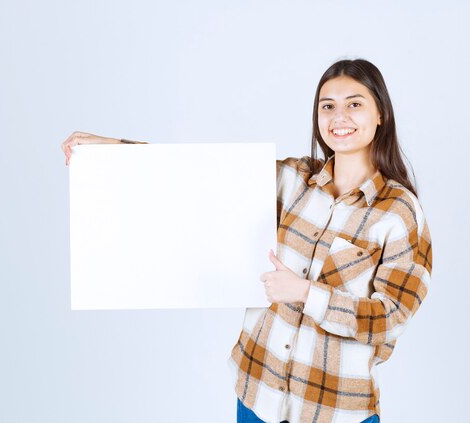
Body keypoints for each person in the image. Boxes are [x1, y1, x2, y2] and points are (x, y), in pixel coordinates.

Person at [61, 58, 433, 423]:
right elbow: (198, 177)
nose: (339, 117)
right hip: (258, 394)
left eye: (354, 104)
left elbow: (390, 318)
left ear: (381, 113)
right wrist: (110, 150)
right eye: (327, 106)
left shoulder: (400, 212)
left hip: (337, 409)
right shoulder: (293, 181)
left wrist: (306, 292)